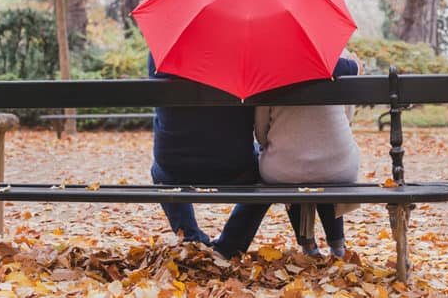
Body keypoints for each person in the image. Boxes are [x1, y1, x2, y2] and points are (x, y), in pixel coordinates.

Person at [148, 53, 359, 259]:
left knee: (160, 172)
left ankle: (191, 238)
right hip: (232, 165)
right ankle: (229, 246)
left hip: (173, 164)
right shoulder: (244, 50)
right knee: (262, 177)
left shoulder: (161, 52)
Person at [254, 50, 362, 258]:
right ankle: (337, 244)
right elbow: (347, 118)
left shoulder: (268, 64)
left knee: (291, 165)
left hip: (283, 170)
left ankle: (308, 245)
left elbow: (260, 132)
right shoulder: (342, 59)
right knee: (327, 167)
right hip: (339, 167)